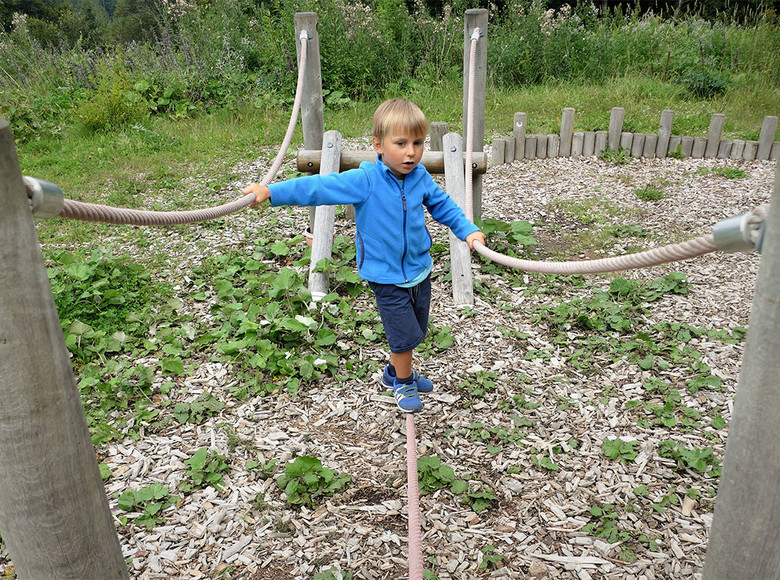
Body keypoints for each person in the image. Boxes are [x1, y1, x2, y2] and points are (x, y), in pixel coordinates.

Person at [243, 98, 485, 413]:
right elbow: (318, 187)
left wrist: (467, 230)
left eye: (417, 143)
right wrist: (272, 192)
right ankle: (403, 382)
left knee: (417, 329)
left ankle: (395, 372)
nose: (411, 152)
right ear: (378, 145)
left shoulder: (421, 177)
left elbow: (445, 206)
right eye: (401, 143)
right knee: (403, 337)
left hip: (419, 270)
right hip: (384, 275)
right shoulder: (365, 180)